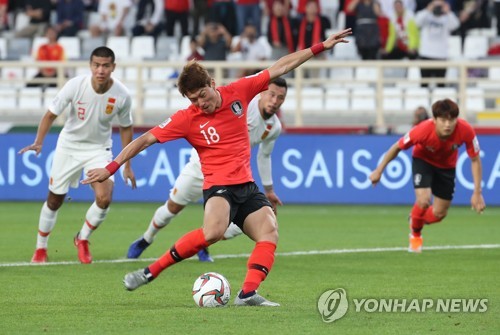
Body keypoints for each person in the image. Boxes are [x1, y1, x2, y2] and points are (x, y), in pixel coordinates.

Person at [81, 28, 352, 306]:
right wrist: (111, 167)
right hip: (218, 186)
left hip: (246, 186)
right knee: (212, 232)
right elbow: (145, 139)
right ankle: (149, 272)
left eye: (201, 95)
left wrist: (321, 46)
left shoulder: (239, 92)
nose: (200, 103)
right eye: (193, 99)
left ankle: (247, 294)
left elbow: (280, 66)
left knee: (269, 231)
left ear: (211, 83)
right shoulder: (186, 118)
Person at [126, 77, 288, 262]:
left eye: (280, 97)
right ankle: (146, 239)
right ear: (262, 92)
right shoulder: (244, 104)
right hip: (200, 168)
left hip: (231, 177)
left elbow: (264, 156)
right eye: (271, 94)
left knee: (244, 219)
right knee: (172, 208)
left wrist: (269, 190)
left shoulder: (274, 127)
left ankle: (201, 244)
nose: (275, 101)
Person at [19, 47, 137, 264]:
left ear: (113, 67)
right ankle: (41, 248)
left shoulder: (122, 95)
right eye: (96, 65)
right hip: (69, 147)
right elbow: (50, 114)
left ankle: (82, 238)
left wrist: (127, 164)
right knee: (54, 201)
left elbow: (126, 127)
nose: (100, 70)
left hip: (99, 149)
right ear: (90, 65)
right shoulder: (75, 85)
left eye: (105, 65)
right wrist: (39, 142)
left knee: (104, 198)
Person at [369, 99, 486, 253]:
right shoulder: (422, 130)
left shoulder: (466, 130)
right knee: (423, 200)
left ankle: (415, 220)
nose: (447, 125)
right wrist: (379, 170)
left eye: (451, 120)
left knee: (439, 214)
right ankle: (416, 235)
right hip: (423, 161)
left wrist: (477, 192)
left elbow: (475, 160)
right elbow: (397, 147)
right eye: (443, 120)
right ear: (434, 120)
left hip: (447, 168)